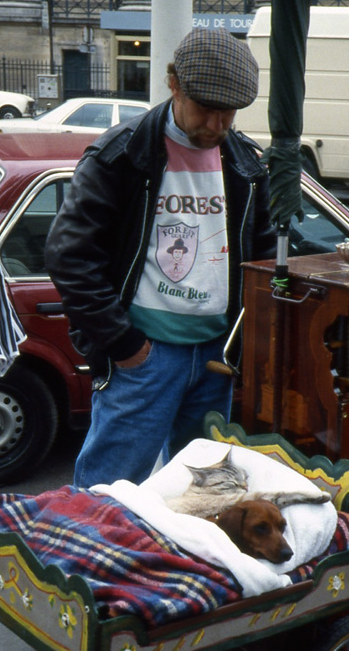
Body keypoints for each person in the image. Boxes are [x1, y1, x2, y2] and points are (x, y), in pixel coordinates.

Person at [45, 28, 275, 488]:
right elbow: (69, 254)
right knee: (108, 493)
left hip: (217, 357)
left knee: (204, 495)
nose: (215, 124)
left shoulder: (246, 163)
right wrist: (126, 347)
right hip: (146, 357)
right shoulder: (121, 155)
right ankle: (89, 562)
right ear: (173, 84)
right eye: (204, 108)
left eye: (226, 113)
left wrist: (246, 341)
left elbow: (263, 253)